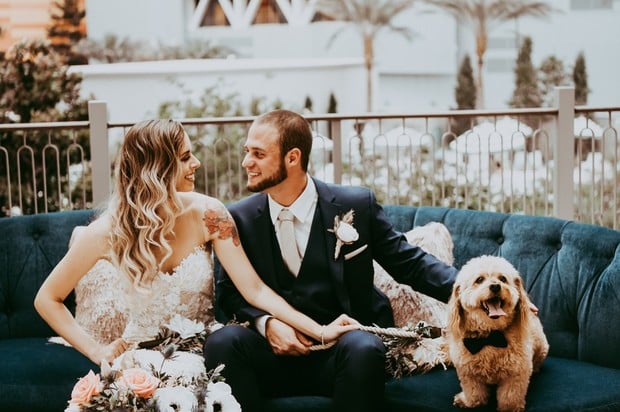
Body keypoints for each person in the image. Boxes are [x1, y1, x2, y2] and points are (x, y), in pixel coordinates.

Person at [34, 118, 357, 367]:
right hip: (138, 362)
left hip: (204, 357)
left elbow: (254, 290)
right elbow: (47, 298)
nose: (197, 164)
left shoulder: (210, 213)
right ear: (157, 169)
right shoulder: (107, 231)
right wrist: (96, 350)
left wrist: (320, 330)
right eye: (186, 157)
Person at [204, 109, 458, 412]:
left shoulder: (355, 205)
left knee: (363, 347)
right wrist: (267, 324)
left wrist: (476, 292)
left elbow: (409, 263)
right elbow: (229, 296)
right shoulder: (239, 218)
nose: (247, 162)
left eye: (258, 154)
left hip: (341, 352)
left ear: (292, 158)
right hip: (270, 355)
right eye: (247, 152)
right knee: (223, 342)